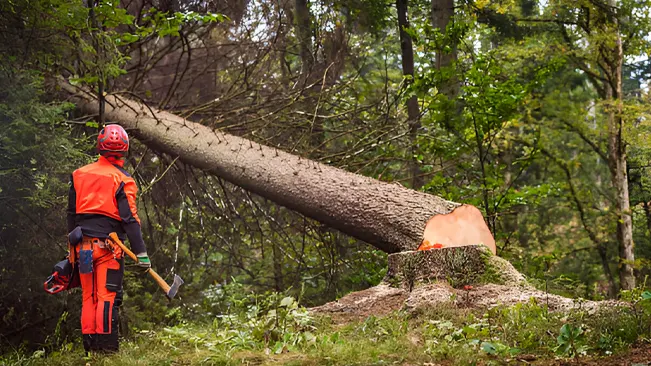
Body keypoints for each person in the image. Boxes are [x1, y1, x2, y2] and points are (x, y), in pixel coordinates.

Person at [67, 124, 151, 354]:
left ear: (99, 147)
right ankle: (105, 351)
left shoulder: (79, 174)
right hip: (108, 249)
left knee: (88, 297)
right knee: (106, 298)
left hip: (82, 246)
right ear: (124, 149)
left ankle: (89, 350)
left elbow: (71, 215)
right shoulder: (123, 179)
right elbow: (130, 219)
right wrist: (141, 253)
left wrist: (71, 249)